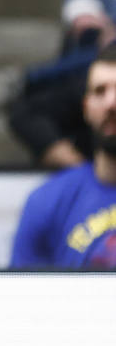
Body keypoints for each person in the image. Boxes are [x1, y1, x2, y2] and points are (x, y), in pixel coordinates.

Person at [11, 47, 116, 268]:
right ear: (86, 108)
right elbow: (23, 296)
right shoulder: (46, 201)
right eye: (100, 91)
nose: (111, 103)